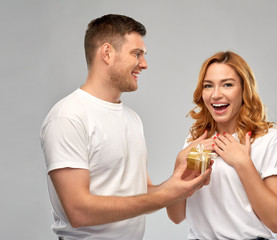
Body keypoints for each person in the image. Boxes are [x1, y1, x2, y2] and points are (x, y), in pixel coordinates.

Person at [40, 14, 211, 240]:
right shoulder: (68, 117)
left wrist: (177, 179)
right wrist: (165, 196)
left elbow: (141, 195)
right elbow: (78, 211)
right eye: (136, 54)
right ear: (107, 53)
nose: (144, 64)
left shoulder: (132, 119)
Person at [167, 51, 277, 240]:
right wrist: (180, 162)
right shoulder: (197, 142)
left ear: (244, 89)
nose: (216, 94)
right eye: (208, 86)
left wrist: (243, 164)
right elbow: (176, 216)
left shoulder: (268, 141)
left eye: (227, 84)